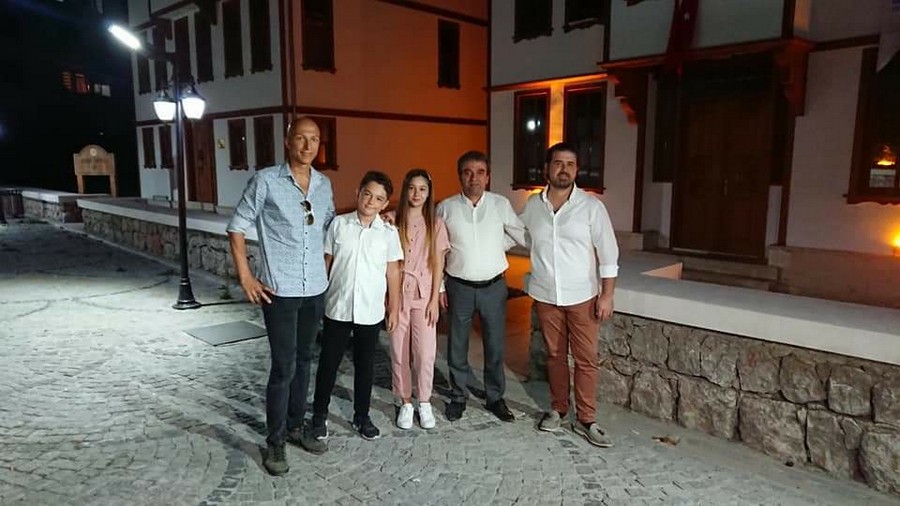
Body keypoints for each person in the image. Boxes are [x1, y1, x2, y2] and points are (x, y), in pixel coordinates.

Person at [226, 117, 335, 476]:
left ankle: (295, 426)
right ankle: (275, 441)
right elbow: (236, 227)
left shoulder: (324, 185)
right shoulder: (266, 181)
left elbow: (329, 228)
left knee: (304, 361)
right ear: (288, 141)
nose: (308, 145)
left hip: (314, 288)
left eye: (314, 139)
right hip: (280, 291)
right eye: (301, 138)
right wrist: (246, 276)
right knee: (283, 366)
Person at [520, 142, 619, 448]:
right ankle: (558, 409)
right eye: (558, 163)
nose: (564, 169)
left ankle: (587, 419)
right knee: (555, 356)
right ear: (547, 168)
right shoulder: (533, 207)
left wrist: (607, 295)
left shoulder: (591, 207)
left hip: (582, 297)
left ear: (577, 170)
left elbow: (608, 252)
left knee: (586, 359)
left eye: (570, 164)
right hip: (546, 295)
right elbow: (518, 235)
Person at [311, 171, 403, 442]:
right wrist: (317, 299)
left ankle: (361, 416)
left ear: (385, 204)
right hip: (338, 306)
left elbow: (393, 272)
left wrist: (394, 307)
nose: (370, 201)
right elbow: (327, 262)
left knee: (365, 365)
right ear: (358, 192)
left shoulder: (388, 233)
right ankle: (319, 415)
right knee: (328, 363)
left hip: (370, 310)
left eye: (378, 198)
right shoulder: (339, 225)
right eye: (367, 194)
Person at [436, 151, 526, 423]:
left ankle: (495, 397)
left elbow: (520, 234)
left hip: (493, 288)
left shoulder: (500, 204)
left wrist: (497, 245)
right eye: (467, 172)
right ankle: (458, 396)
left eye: (479, 172)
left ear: (487, 177)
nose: (473, 178)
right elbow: (438, 250)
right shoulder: (446, 208)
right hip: (459, 287)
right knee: (457, 345)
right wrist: (440, 287)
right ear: (460, 176)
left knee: (495, 345)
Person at [389, 169, 450, 430]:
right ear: (405, 190)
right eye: (412, 188)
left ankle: (424, 401)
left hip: (424, 295)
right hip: (397, 294)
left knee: (425, 353)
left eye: (422, 189)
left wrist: (435, 299)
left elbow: (438, 264)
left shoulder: (436, 224)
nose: (417, 194)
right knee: (398, 351)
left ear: (428, 192)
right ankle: (405, 401)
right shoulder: (392, 220)